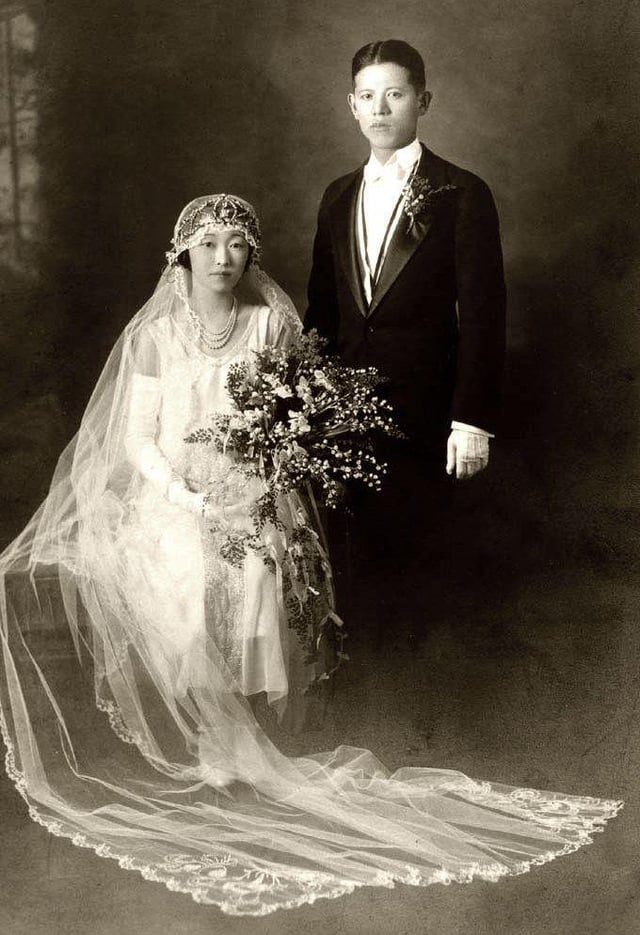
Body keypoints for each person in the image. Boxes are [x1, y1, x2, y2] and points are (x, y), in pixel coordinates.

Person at [0, 195, 621, 915]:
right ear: (183, 256)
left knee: (257, 584)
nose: (224, 257)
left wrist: (265, 474)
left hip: (254, 492)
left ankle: (238, 746)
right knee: (182, 590)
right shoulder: (156, 338)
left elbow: (295, 413)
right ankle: (214, 741)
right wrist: (189, 497)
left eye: (238, 244)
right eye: (209, 245)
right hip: (172, 497)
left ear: (251, 255)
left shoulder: (267, 325)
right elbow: (137, 440)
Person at [305, 39, 506, 647]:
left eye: (394, 94)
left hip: (425, 416)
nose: (380, 108)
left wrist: (470, 420)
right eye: (367, 96)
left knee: (420, 567)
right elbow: (322, 310)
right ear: (351, 106)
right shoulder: (337, 194)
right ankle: (362, 693)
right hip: (341, 416)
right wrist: (308, 406)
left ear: (423, 100)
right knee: (349, 566)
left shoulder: (461, 192)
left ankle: (421, 710)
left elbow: (484, 313)